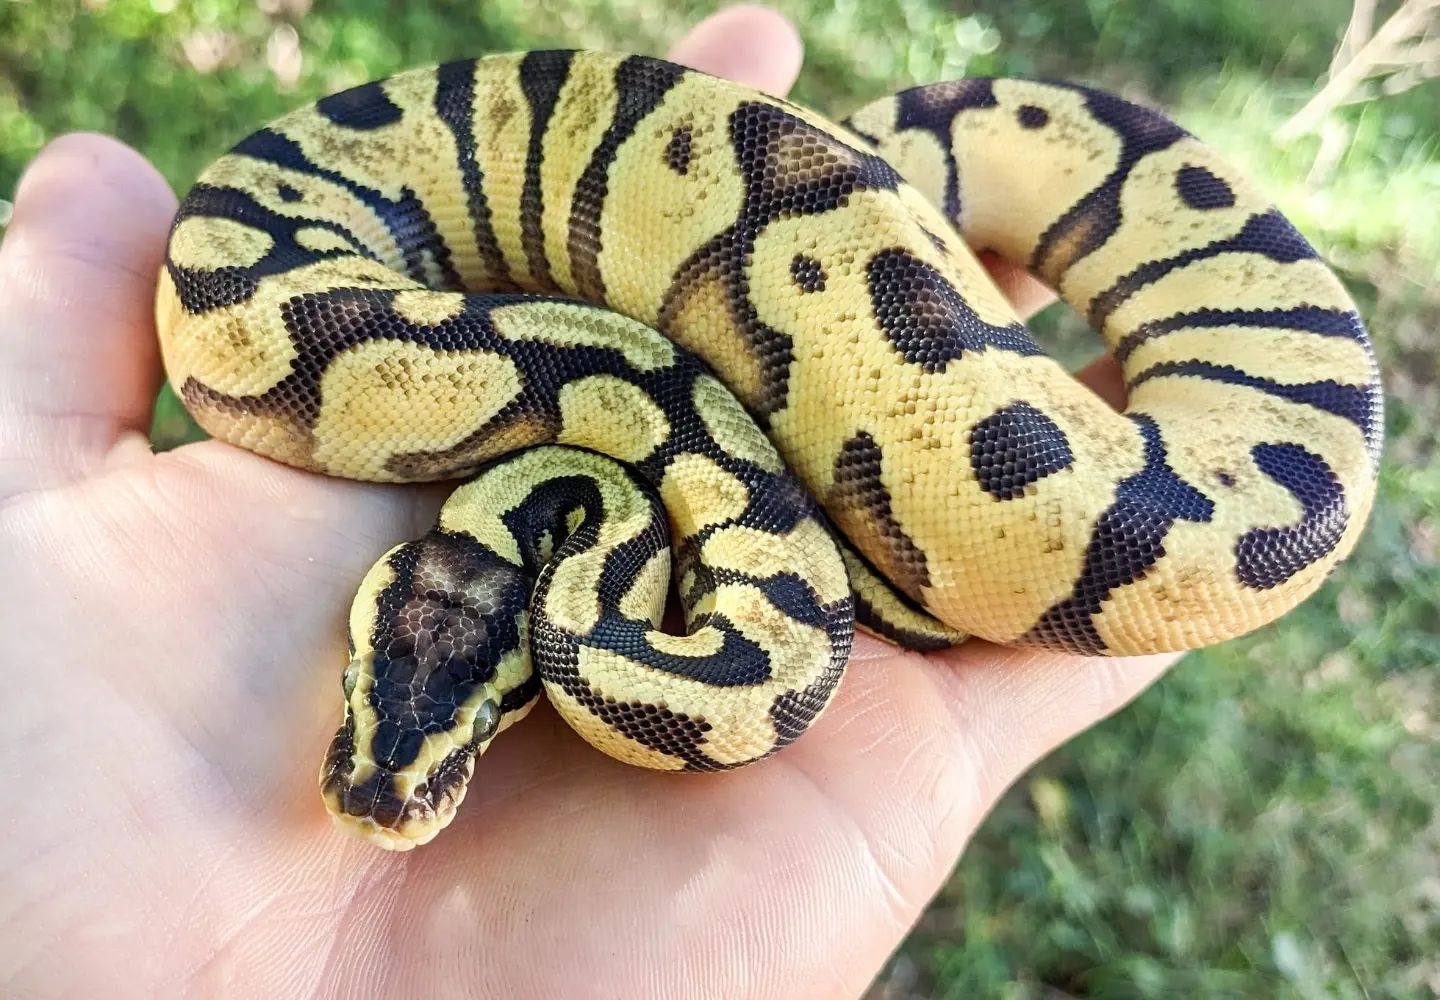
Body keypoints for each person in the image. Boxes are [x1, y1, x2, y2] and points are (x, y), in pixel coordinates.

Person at [0, 5, 1177, 995]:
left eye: (428, 718)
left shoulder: (606, 552)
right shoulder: (610, 551)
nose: (389, 773)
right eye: (394, 706)